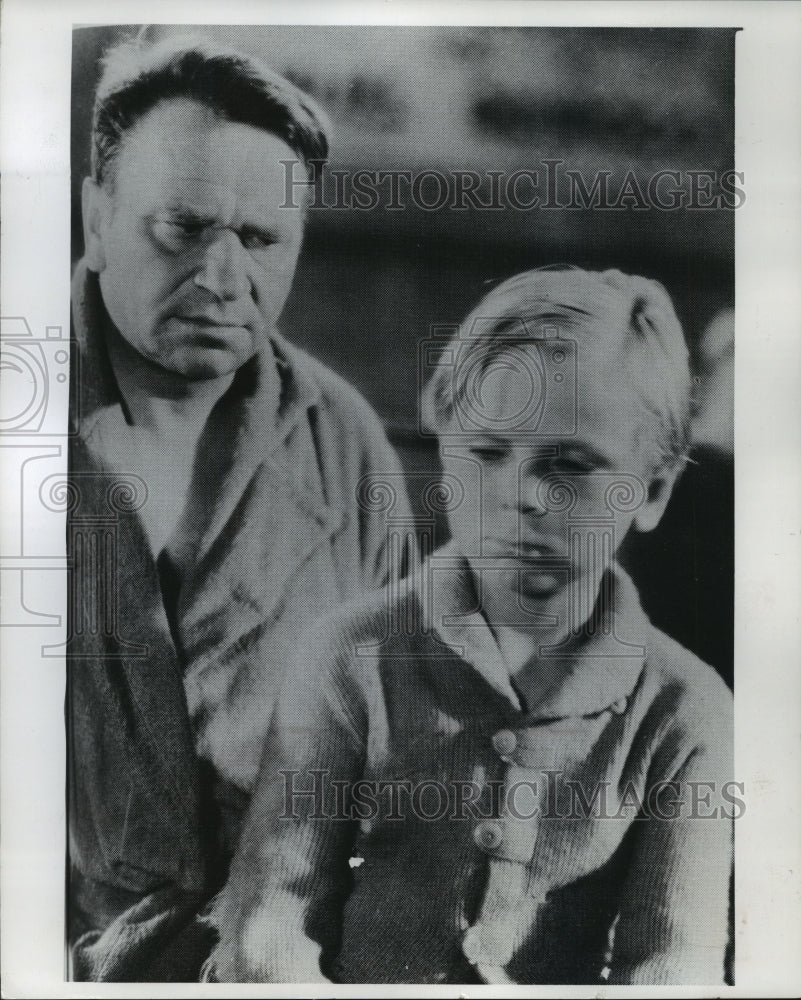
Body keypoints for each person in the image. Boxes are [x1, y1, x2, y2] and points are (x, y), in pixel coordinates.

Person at [205, 267, 734, 985]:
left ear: (652, 489)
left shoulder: (683, 710)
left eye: (570, 465)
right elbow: (270, 925)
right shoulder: (351, 655)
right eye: (486, 453)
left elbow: (674, 963)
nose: (518, 495)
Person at [67, 33, 410, 981]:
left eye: (261, 240)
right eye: (182, 227)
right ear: (98, 217)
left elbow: (397, 753)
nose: (223, 279)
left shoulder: (343, 443)